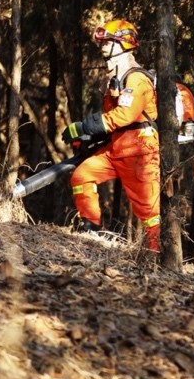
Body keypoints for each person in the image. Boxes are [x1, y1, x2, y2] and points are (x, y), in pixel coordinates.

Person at [61, 19, 161, 252]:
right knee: (82, 175)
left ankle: (156, 255)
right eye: (103, 42)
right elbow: (114, 119)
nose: (103, 46)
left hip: (140, 150)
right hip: (118, 147)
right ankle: (90, 230)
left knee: (149, 210)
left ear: (123, 44)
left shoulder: (137, 79)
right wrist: (88, 138)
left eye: (108, 42)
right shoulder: (116, 77)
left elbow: (125, 115)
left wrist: (85, 127)